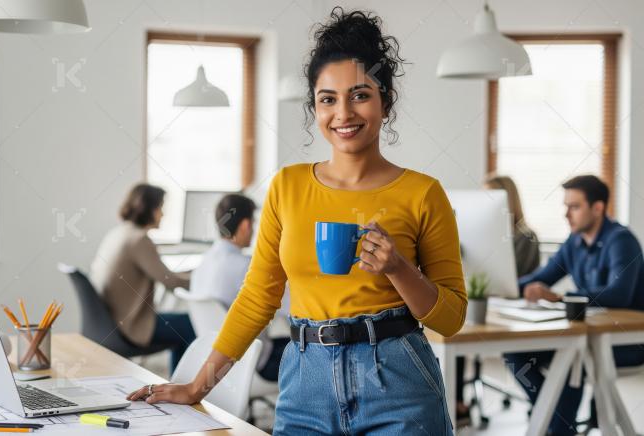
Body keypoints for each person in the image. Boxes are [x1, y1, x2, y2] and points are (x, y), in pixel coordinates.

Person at [128, 9, 467, 434]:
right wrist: (199, 385)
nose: (343, 112)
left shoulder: (423, 193)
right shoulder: (287, 186)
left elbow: (450, 319)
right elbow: (257, 298)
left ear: (386, 101)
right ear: (315, 107)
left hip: (397, 381)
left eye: (360, 95)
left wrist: (398, 268)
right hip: (305, 381)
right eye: (328, 99)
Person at [504, 175, 644, 435]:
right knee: (514, 353)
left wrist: (560, 298)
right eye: (566, 206)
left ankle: (556, 427)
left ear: (598, 208)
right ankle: (550, 415)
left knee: (569, 359)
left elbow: (618, 296)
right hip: (584, 337)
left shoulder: (621, 241)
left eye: (574, 206)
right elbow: (541, 279)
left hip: (624, 342)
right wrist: (503, 285)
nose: (566, 214)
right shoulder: (574, 243)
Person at [454, 175, 541, 424]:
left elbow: (516, 281)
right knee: (455, 330)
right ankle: (457, 402)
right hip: (479, 303)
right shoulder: (476, 235)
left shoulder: (526, 236)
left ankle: (543, 403)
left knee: (513, 354)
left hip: (510, 309)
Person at [89, 183, 195, 374]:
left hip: (110, 323)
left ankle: (178, 384)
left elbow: (166, 277)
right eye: (161, 208)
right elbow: (170, 281)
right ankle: (180, 388)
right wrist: (200, 277)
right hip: (130, 327)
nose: (163, 214)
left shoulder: (120, 233)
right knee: (189, 324)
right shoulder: (139, 240)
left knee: (179, 322)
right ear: (149, 209)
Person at [189, 193, 289, 382]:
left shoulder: (203, 262)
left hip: (213, 364)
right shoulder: (248, 267)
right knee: (311, 351)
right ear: (245, 225)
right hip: (253, 365)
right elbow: (295, 310)